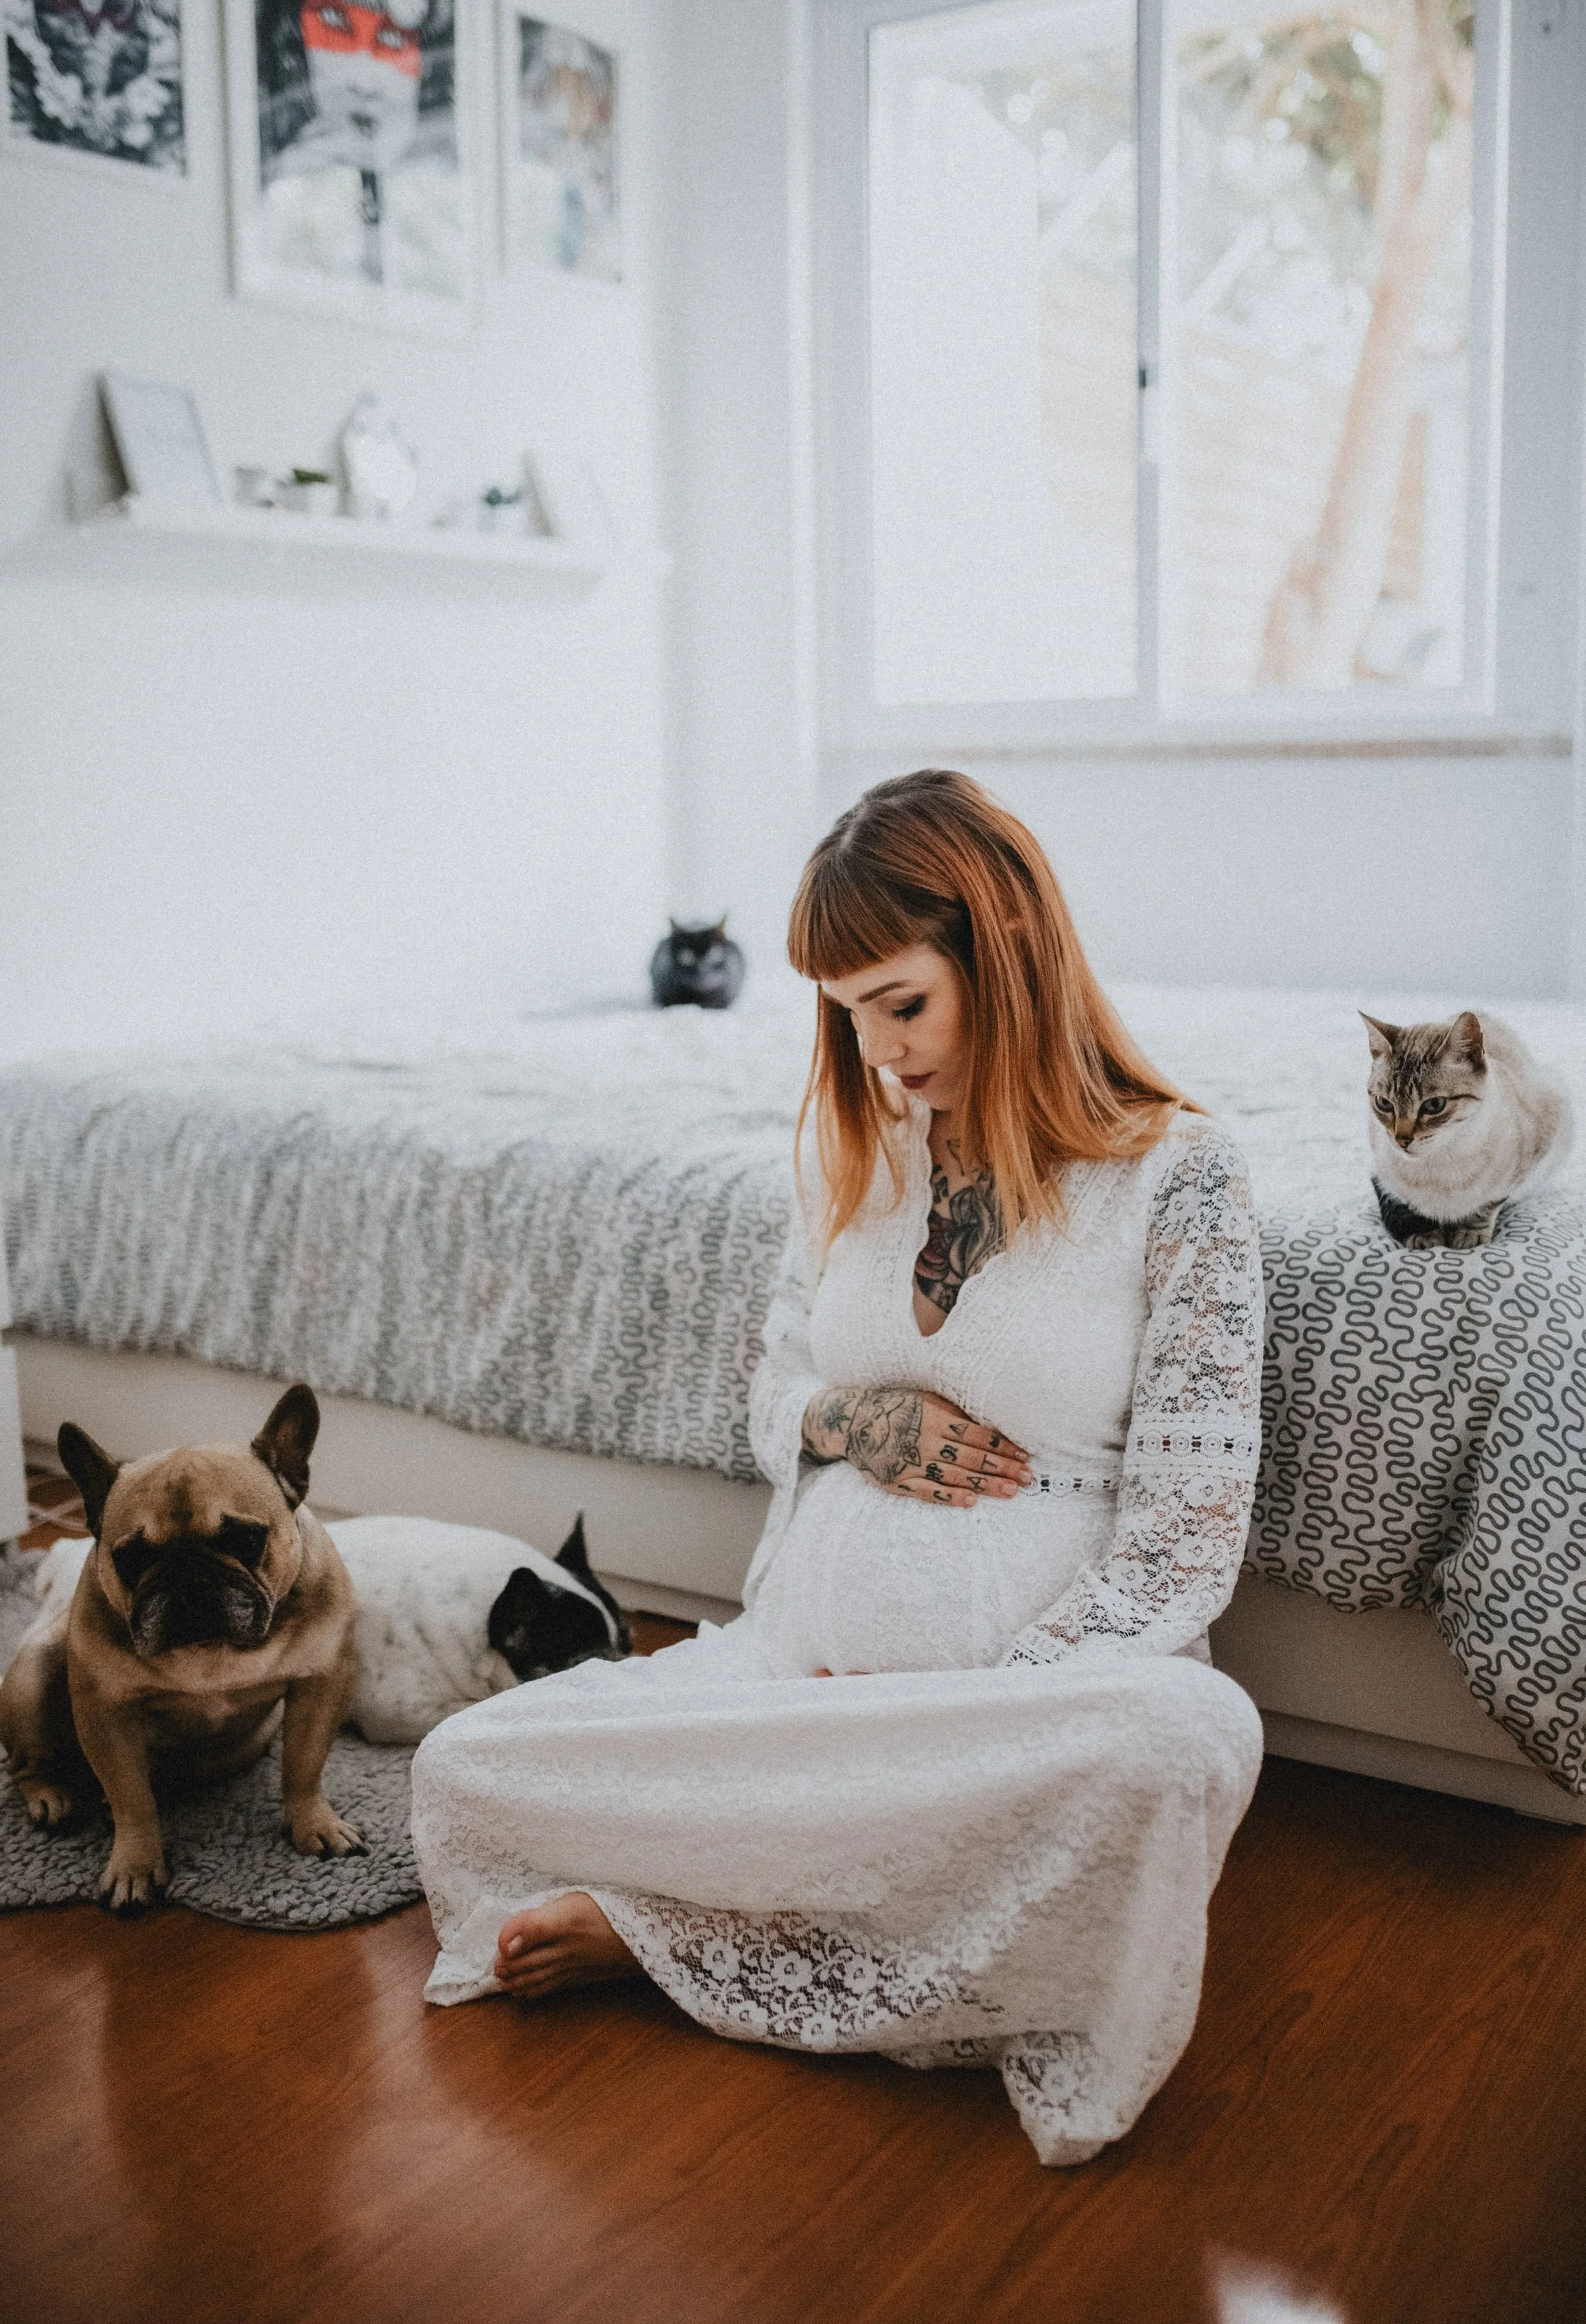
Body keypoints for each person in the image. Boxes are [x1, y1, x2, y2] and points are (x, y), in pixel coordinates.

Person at [410, 771, 1265, 2166]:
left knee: (1185, 1740)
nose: (876, 1051)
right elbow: (771, 1399)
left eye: (902, 1004)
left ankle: (697, 1916)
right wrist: (850, 1423)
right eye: (846, 1013)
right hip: (792, 1679)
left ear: (1004, 953)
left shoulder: (1181, 1176)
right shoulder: (848, 1154)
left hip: (1012, 1719)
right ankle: (860, 1897)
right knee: (460, 1766)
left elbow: (1185, 1536)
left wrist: (977, 1717)